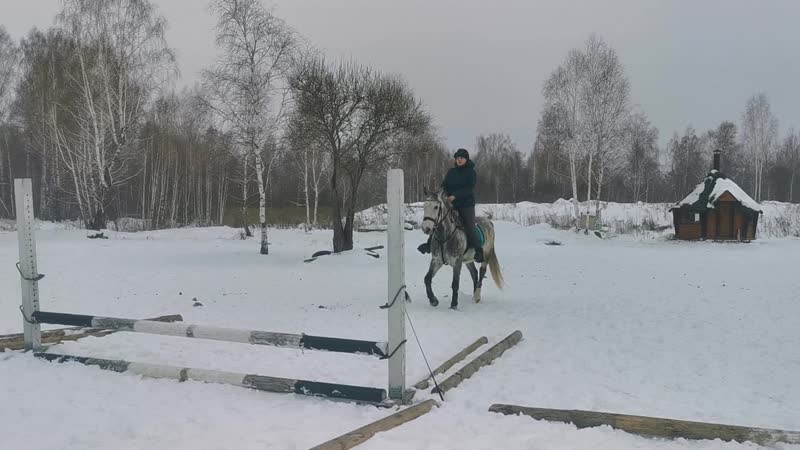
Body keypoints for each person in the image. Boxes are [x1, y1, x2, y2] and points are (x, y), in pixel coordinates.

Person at [418, 148, 484, 263]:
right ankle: (429, 245)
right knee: (439, 221)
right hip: (451, 204)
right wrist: (439, 194)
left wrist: (455, 196)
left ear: (466, 159)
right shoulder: (451, 172)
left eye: (461, 158)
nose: (459, 160)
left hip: (466, 204)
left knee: (469, 226)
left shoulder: (471, 172)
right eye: (457, 158)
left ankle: (478, 251)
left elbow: (469, 188)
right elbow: (444, 186)